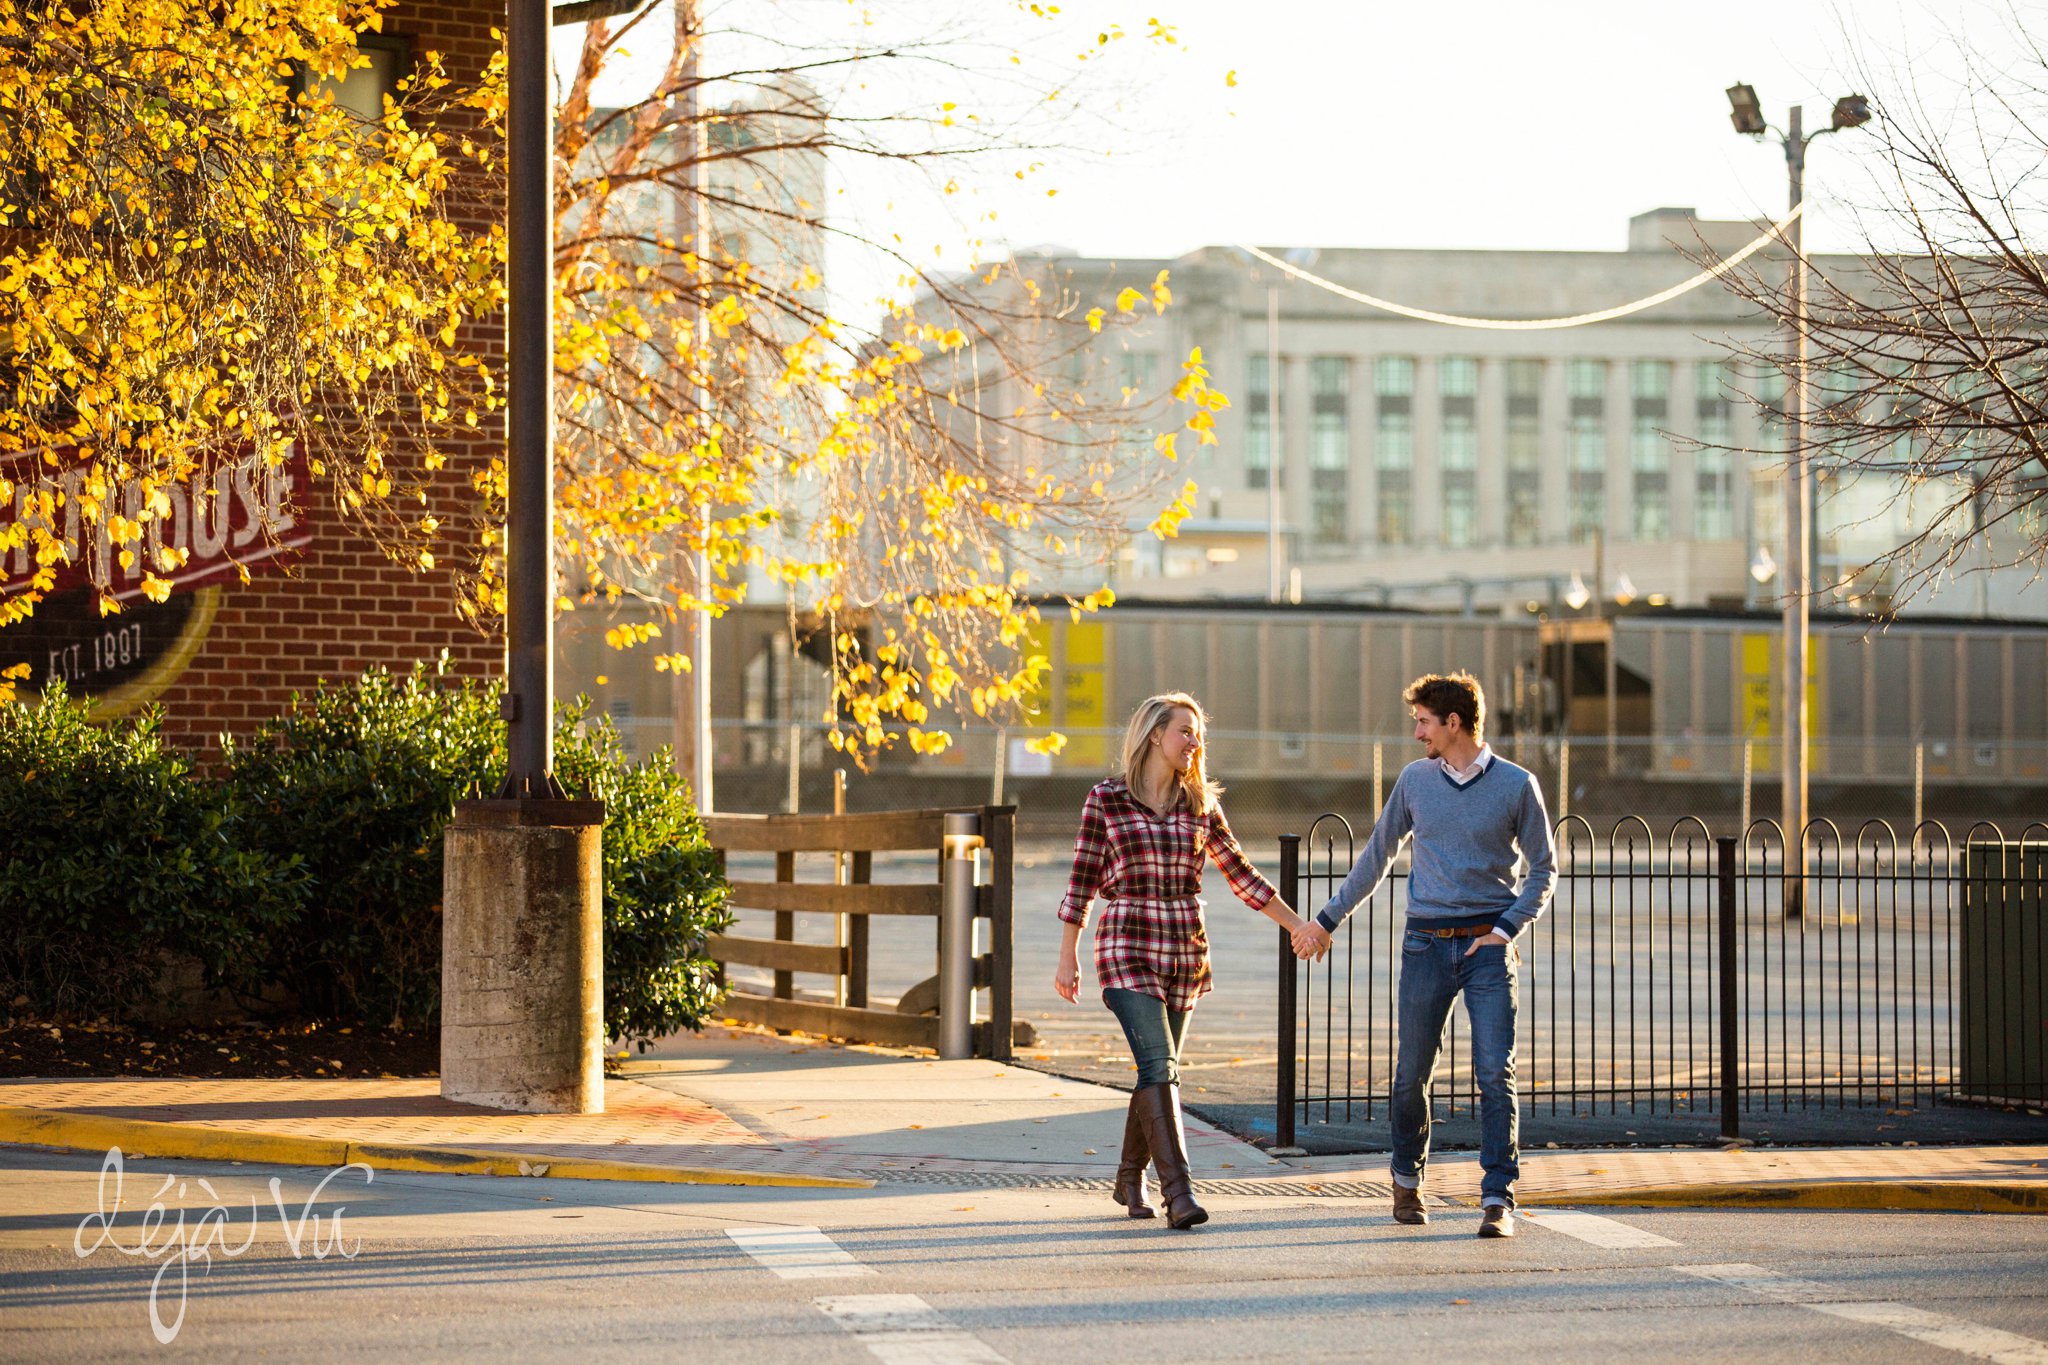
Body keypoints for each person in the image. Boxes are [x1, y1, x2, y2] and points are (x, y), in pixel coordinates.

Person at [1292, 671, 1556, 1238]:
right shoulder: (1415, 781)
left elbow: (1544, 869)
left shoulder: (1516, 785)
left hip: (1488, 945)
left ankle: (1497, 1199)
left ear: (1453, 722)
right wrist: (1325, 920)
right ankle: (1407, 1183)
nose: (1417, 733)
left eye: (1423, 722)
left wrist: (1508, 929)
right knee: (1412, 1073)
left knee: (1494, 1072)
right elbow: (1377, 856)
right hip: (1425, 945)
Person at [1056, 692, 1312, 1230]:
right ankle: (1179, 1194)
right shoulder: (1106, 800)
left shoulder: (1201, 805)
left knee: (1159, 1068)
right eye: (1185, 732)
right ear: (1155, 735)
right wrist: (1068, 956)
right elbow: (1081, 881)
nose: (1195, 743)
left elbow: (1242, 876)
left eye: (1199, 734)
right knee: (1159, 1066)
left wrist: (1298, 926)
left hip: (1184, 948)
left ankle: (1129, 1176)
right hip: (1126, 941)